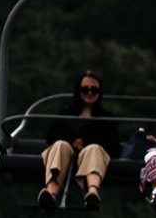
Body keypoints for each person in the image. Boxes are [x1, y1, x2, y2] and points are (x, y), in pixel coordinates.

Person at [39, 69, 121, 209]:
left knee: (94, 149)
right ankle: (51, 193)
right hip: (67, 152)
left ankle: (92, 192)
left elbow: (113, 146)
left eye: (94, 90)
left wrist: (86, 143)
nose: (90, 93)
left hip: (92, 155)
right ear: (78, 91)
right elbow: (51, 136)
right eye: (85, 90)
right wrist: (71, 142)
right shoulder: (66, 112)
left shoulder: (106, 117)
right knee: (60, 145)